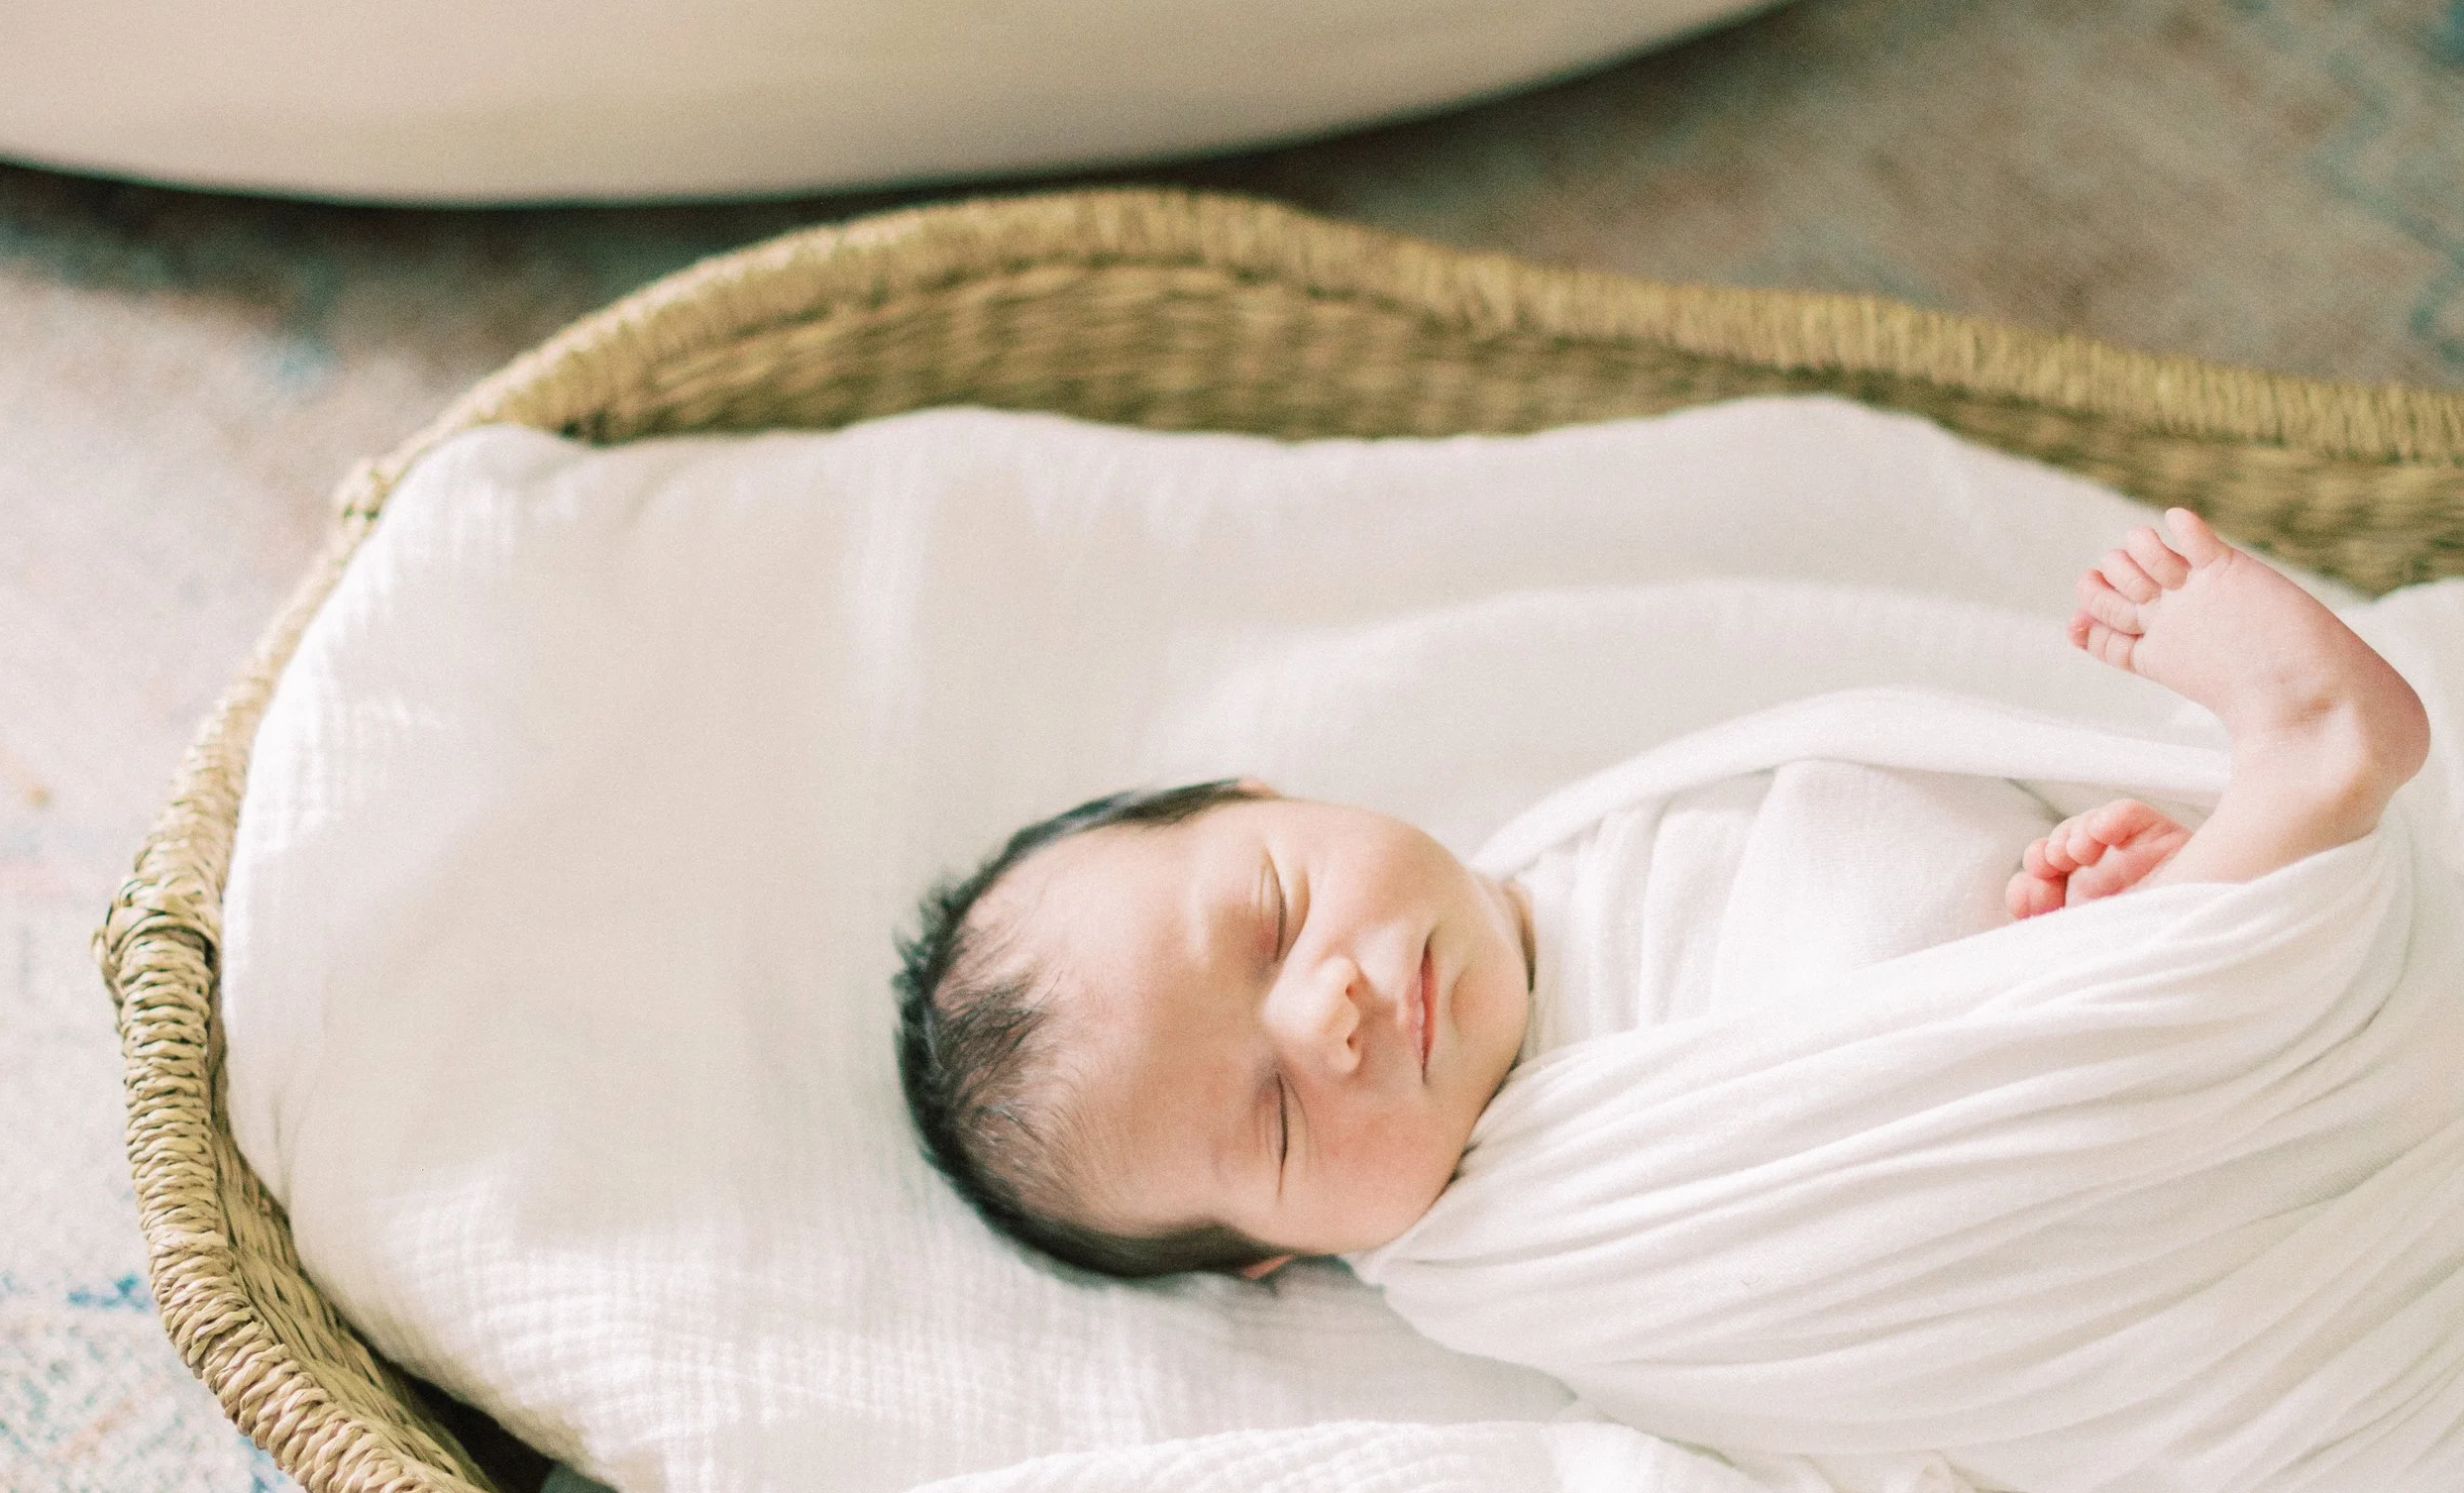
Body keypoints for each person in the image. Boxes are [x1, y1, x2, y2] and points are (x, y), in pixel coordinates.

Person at [898, 508, 2430, 1286]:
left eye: (1277, 919)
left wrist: (2046, 915)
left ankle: (2206, 895)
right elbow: (1890, 1231)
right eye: (1279, 1118)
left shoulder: (1567, 852)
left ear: (1267, 795)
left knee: (2122, 1002)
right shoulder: (1537, 1247)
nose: (1334, 1009)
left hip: (2065, 1006)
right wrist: (2019, 999)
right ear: (1275, 1259)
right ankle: (2300, 780)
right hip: (2094, 1157)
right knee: (2107, 1104)